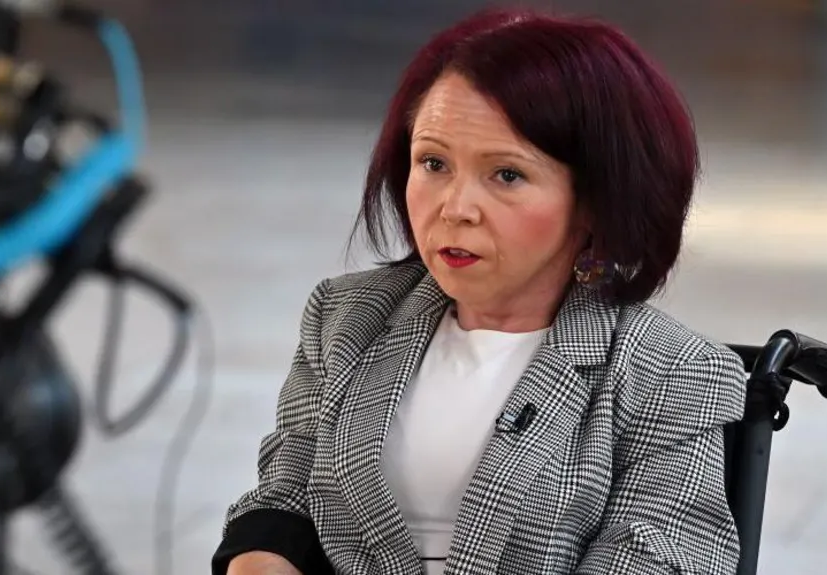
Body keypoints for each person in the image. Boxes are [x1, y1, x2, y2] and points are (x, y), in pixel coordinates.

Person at [212, 7, 747, 575]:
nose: (455, 208)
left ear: (596, 200)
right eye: (434, 162)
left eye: (506, 175)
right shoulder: (346, 317)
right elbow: (284, 496)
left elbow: (660, 557)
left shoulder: (670, 372)